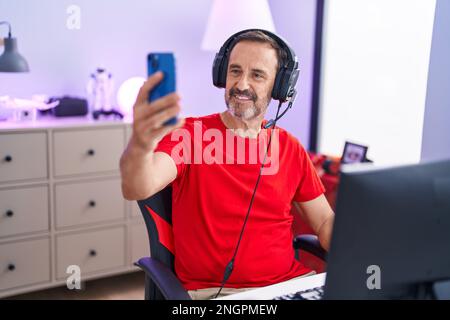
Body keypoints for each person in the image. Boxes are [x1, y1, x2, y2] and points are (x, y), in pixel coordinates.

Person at [120, 30, 335, 300]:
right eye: (235, 71)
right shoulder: (191, 135)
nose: (241, 84)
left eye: (257, 75)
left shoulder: (289, 147)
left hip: (289, 286)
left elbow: (325, 222)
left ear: (280, 86)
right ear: (222, 75)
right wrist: (141, 142)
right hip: (215, 294)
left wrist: (365, 234)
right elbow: (137, 186)